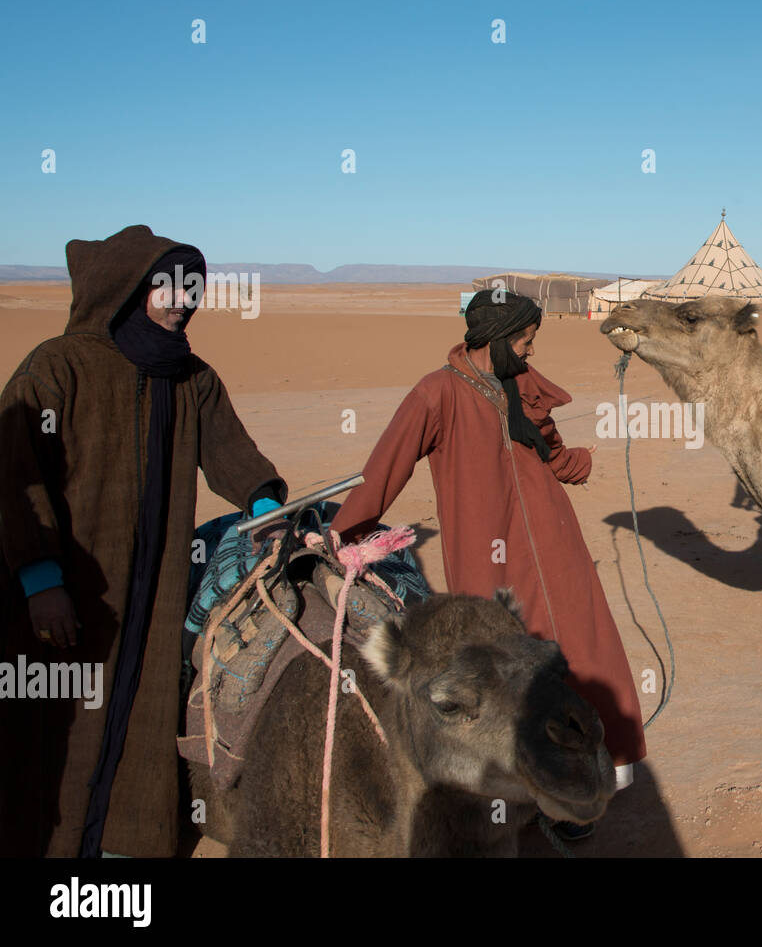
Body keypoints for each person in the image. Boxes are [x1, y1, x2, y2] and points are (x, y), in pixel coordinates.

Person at [0, 225, 286, 857]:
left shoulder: (192, 377)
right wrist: (40, 581)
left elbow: (231, 454)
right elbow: (14, 476)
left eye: (193, 287)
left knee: (140, 718)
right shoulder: (59, 366)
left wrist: (265, 505)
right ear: (131, 290)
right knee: (55, 728)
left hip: (153, 591)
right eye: (169, 286)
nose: (184, 299)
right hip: (69, 590)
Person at [330, 290, 647, 836]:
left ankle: (580, 790)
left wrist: (584, 462)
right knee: (505, 678)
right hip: (489, 555)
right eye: (524, 339)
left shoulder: (519, 384)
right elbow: (387, 466)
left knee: (582, 653)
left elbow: (549, 450)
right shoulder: (438, 393)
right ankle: (523, 793)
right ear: (495, 338)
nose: (530, 350)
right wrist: (345, 533)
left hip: (556, 542)